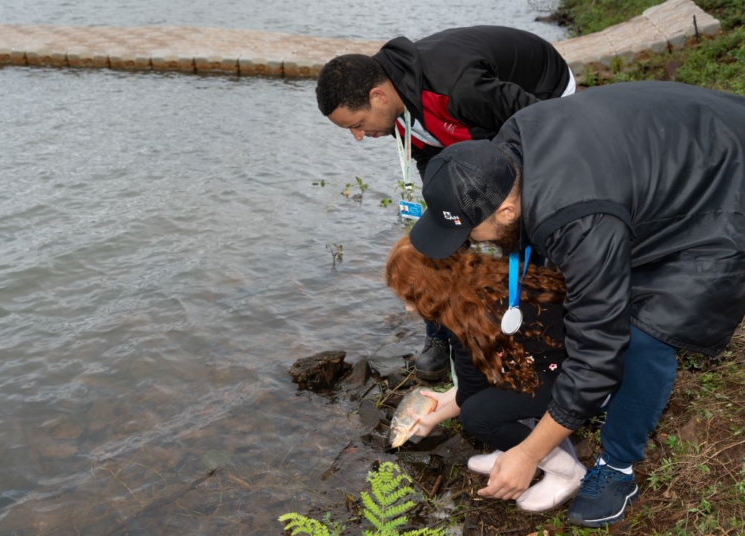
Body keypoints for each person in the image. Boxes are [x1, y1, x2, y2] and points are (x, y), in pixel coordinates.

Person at [407, 80, 745, 527]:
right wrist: (457, 398)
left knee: (647, 332)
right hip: (678, 140)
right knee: (584, 295)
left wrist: (530, 452)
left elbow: (598, 349)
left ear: (506, 210)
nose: (468, 241)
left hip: (723, 182)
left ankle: (618, 469)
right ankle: (587, 403)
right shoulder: (508, 150)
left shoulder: (582, 219)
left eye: (469, 229)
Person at [316, 25, 575, 381]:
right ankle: (443, 335)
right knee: (445, 226)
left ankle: (544, 317)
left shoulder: (457, 89)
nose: (359, 137)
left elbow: (544, 123)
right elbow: (430, 159)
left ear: (378, 96)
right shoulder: (397, 102)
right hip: (470, 125)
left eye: (357, 125)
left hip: (544, 100)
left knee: (518, 217)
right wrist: (446, 209)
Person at [385, 235, 586, 512]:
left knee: (477, 416)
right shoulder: (483, 277)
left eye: (410, 298)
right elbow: (475, 377)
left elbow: (471, 391)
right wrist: (448, 397)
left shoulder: (463, 315)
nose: (408, 308)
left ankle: (564, 470)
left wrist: (431, 418)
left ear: (431, 290)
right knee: (485, 396)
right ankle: (513, 446)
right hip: (565, 355)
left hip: (578, 379)